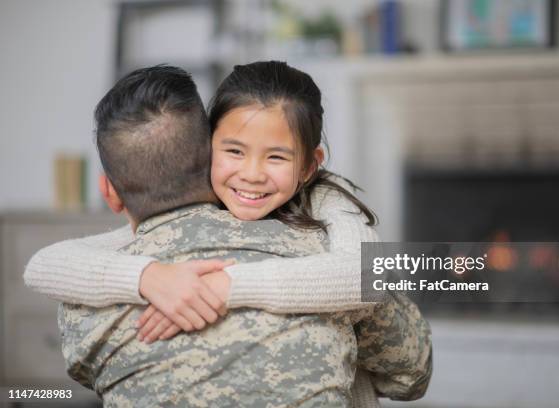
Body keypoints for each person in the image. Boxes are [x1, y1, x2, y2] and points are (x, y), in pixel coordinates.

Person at [25, 63, 432, 405]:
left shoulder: (325, 211)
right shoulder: (135, 254)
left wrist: (225, 286)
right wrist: (147, 277)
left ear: (309, 167)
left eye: (276, 156)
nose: (252, 174)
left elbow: (361, 275)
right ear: (206, 152)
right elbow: (46, 263)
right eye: (234, 151)